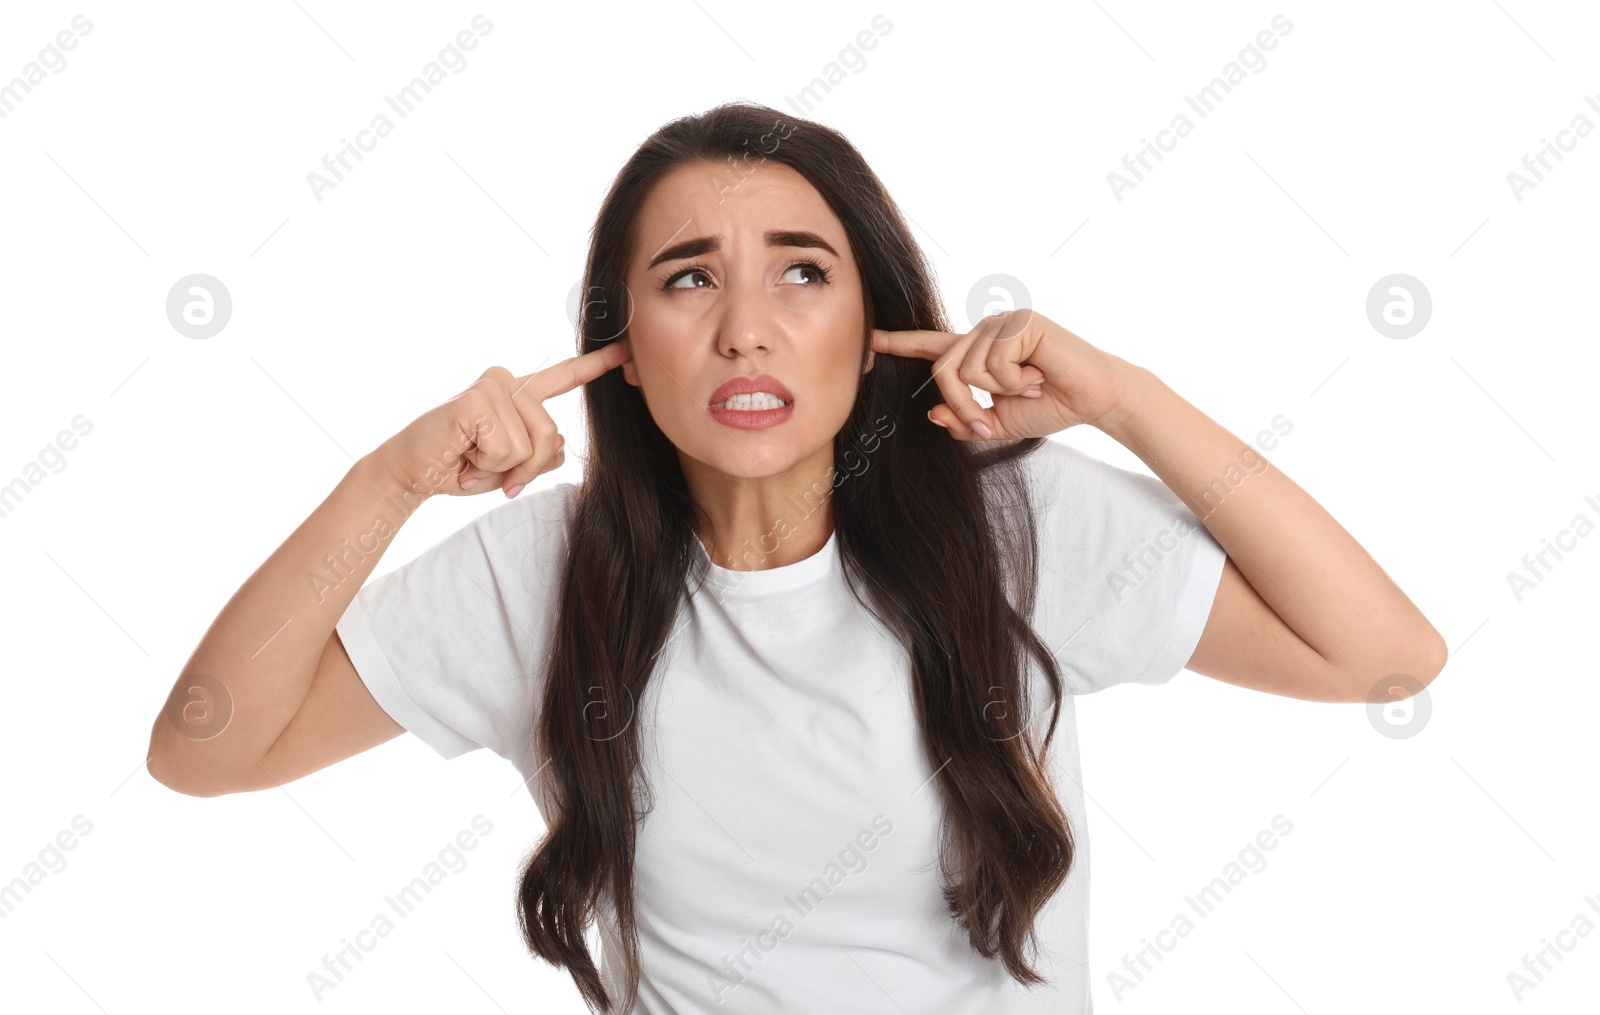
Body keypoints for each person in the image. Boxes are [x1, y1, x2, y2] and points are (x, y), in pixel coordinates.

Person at [147, 100, 1447, 1014]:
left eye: (803, 273)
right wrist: (389, 483)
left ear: (877, 326)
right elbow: (205, 746)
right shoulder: (540, 574)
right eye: (690, 280)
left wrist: (1131, 402)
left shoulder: (1016, 526)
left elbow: (1385, 656)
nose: (747, 332)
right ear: (621, 342)